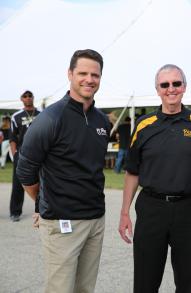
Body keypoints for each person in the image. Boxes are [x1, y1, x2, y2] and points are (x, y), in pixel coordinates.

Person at [118, 64, 191, 293]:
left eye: (176, 83)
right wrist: (125, 212)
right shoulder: (144, 126)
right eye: (165, 85)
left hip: (189, 209)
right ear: (157, 89)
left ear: (184, 86)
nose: (171, 89)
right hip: (152, 208)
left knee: (187, 280)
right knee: (145, 280)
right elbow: (132, 171)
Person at [17, 49, 110, 293]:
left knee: (85, 289)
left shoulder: (102, 121)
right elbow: (25, 171)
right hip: (62, 222)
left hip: (95, 220)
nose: (89, 79)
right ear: (70, 74)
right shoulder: (50, 118)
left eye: (95, 75)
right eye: (82, 73)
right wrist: (42, 201)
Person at [9, 90, 41, 222]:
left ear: (33, 97)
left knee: (44, 181)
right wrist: (14, 154)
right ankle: (15, 212)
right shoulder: (16, 116)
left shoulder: (41, 114)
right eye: (25, 96)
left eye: (30, 96)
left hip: (40, 153)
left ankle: (42, 209)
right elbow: (12, 138)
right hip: (22, 154)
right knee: (18, 183)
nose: (28, 98)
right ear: (21, 99)